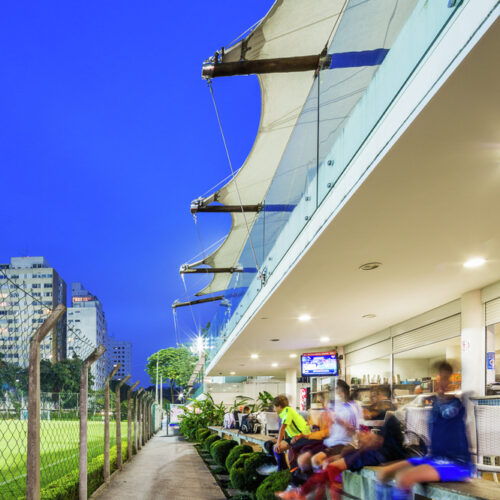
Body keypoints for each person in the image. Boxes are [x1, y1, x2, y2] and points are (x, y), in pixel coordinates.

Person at [376, 361, 473, 500]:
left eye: (446, 378)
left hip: (456, 464)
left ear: (452, 380)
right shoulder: (435, 403)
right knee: (383, 474)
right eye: (439, 378)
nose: (441, 382)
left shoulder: (455, 405)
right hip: (433, 459)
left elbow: (450, 416)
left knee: (403, 478)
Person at [278, 412, 406, 499]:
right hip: (361, 450)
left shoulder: (386, 422)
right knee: (328, 466)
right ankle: (302, 492)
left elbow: (373, 440)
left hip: (370, 452)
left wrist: (363, 437)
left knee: (330, 467)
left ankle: (302, 492)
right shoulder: (382, 422)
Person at [272, 395, 311, 470]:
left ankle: (282, 469)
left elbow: (282, 429)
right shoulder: (285, 412)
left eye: (274, 407)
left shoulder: (288, 412)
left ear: (279, 406)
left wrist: (278, 442)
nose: (274, 409)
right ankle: (283, 468)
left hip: (302, 436)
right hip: (294, 436)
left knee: (277, 448)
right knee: (272, 446)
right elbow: (285, 431)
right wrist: (279, 440)